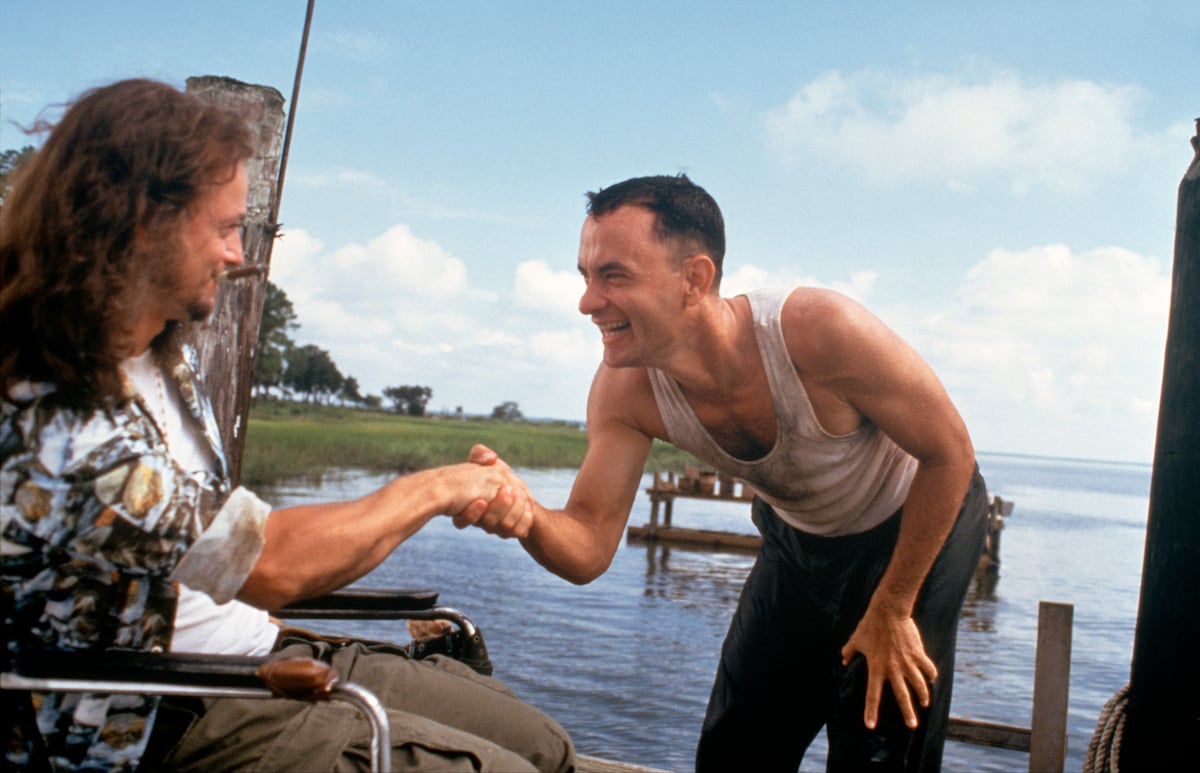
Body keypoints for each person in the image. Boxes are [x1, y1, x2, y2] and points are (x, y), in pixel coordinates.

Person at [0, 79, 574, 773]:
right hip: (161, 709)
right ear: (141, 225)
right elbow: (269, 562)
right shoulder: (58, 423)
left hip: (257, 651)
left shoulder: (164, 356)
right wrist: (441, 488)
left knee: (546, 748)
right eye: (223, 228)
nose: (238, 254)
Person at [457, 173, 987, 771]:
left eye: (614, 276)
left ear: (695, 279)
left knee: (877, 744)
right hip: (800, 538)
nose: (587, 301)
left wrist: (893, 607)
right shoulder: (626, 391)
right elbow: (589, 547)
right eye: (585, 277)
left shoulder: (818, 330)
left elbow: (951, 453)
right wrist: (527, 516)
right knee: (736, 747)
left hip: (916, 520)